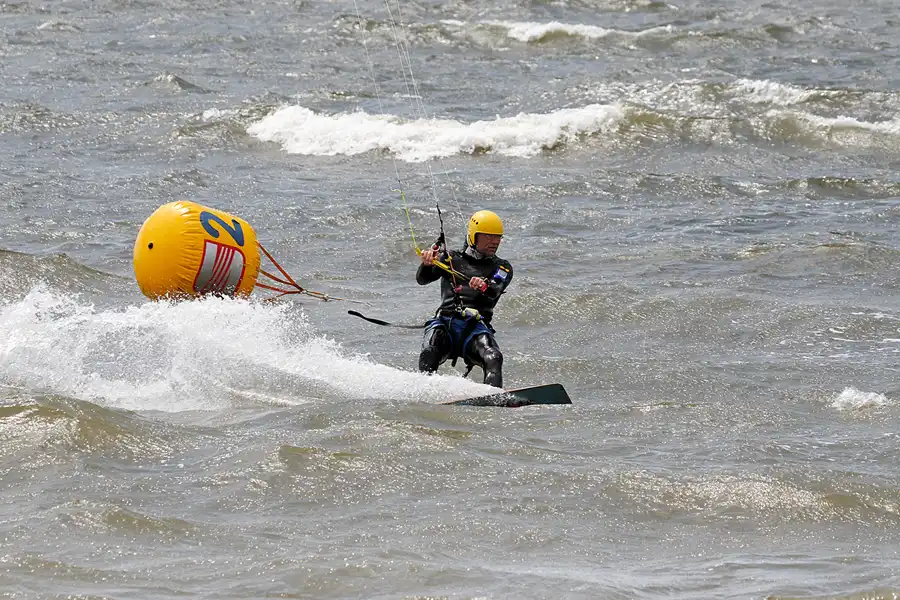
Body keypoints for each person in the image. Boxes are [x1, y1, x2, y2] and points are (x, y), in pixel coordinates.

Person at [416, 210, 513, 388]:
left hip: (474, 329)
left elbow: (495, 289)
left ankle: (492, 397)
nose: (495, 241)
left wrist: (484, 285)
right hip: (445, 324)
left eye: (498, 237)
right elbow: (422, 279)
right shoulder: (450, 258)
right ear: (474, 236)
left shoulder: (502, 267)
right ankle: (424, 392)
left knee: (493, 357)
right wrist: (426, 264)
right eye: (488, 236)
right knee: (429, 352)